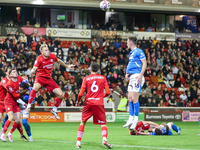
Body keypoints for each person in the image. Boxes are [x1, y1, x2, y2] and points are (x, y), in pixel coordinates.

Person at [24, 44, 74, 119]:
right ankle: (28, 107)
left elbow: (59, 61)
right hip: (40, 78)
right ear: (42, 52)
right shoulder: (39, 58)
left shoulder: (52, 56)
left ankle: (54, 110)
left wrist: (67, 66)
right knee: (35, 87)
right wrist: (32, 71)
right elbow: (34, 67)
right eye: (46, 50)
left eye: (48, 49)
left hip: (48, 79)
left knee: (61, 95)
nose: (48, 51)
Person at [75, 62, 112, 149]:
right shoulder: (103, 78)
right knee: (103, 124)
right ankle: (104, 140)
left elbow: (80, 94)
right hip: (99, 103)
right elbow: (108, 92)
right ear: (98, 69)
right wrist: (102, 96)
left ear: (90, 69)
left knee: (83, 122)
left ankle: (78, 143)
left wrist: (78, 101)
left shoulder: (86, 78)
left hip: (89, 103)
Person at [123, 37, 146, 130]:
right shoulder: (131, 53)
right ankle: (130, 118)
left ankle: (135, 119)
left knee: (135, 99)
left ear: (131, 42)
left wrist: (141, 75)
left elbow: (144, 63)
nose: (127, 43)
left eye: (127, 41)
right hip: (131, 77)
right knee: (130, 98)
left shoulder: (139, 51)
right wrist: (127, 73)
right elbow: (131, 64)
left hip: (137, 76)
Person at [0, 70, 29, 142]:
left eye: (16, 71)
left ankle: (9, 134)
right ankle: (2, 134)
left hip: (16, 102)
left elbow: (25, 82)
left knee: (18, 120)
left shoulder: (19, 78)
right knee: (10, 117)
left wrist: (28, 86)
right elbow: (15, 95)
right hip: (9, 101)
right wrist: (24, 92)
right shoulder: (9, 84)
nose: (15, 72)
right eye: (13, 72)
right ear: (10, 75)